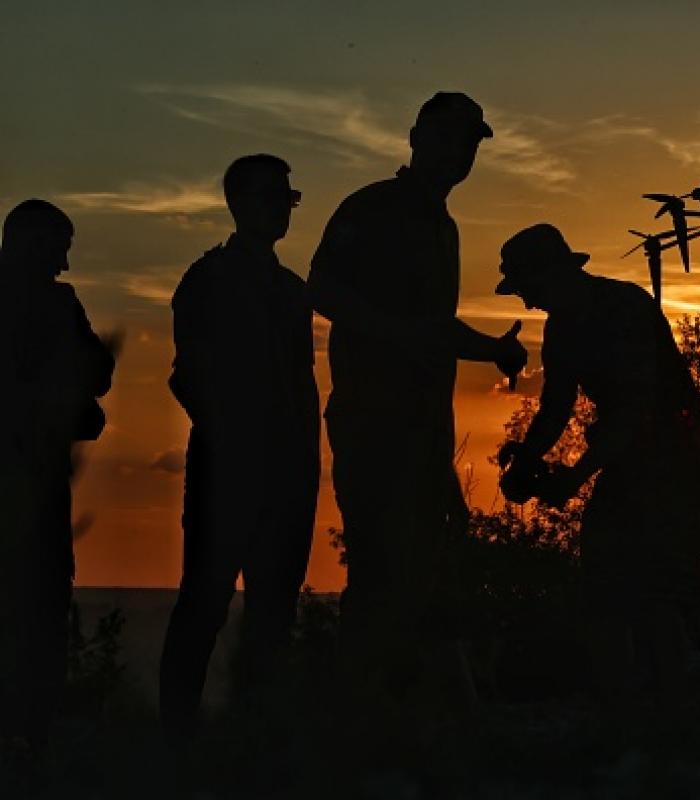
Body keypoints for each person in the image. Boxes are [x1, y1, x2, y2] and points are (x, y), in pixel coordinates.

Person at [308, 92, 527, 707]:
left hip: (424, 431)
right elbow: (321, 286)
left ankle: (422, 720)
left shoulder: (444, 227)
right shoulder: (370, 208)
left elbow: (435, 327)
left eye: (470, 143)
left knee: (428, 573)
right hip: (374, 423)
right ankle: (363, 720)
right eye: (449, 137)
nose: (459, 152)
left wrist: (494, 351)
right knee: (383, 574)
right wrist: (394, 332)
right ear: (415, 137)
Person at [494, 224, 700, 701]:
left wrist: (575, 476)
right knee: (606, 582)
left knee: (654, 590)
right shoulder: (561, 329)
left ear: (550, 274)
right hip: (631, 461)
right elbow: (556, 407)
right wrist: (528, 457)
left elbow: (636, 412)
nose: (526, 302)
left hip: (677, 460)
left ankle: (666, 708)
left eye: (525, 288)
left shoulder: (626, 310)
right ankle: (631, 705)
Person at [159, 154, 319, 748]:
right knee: (204, 604)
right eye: (271, 196)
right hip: (228, 476)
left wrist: (302, 461)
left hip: (288, 478)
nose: (281, 208)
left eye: (286, 197)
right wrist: (234, 442)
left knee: (274, 616)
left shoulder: (292, 291)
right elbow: (188, 377)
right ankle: (177, 741)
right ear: (238, 203)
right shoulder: (207, 282)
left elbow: (300, 387)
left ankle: (258, 742)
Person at [0, 199, 116, 766]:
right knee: (37, 610)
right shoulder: (56, 304)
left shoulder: (59, 302)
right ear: (31, 243)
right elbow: (96, 373)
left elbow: (99, 375)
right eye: (58, 246)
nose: (65, 262)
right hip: (31, 480)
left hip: (41, 480)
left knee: (41, 607)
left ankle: (29, 738)